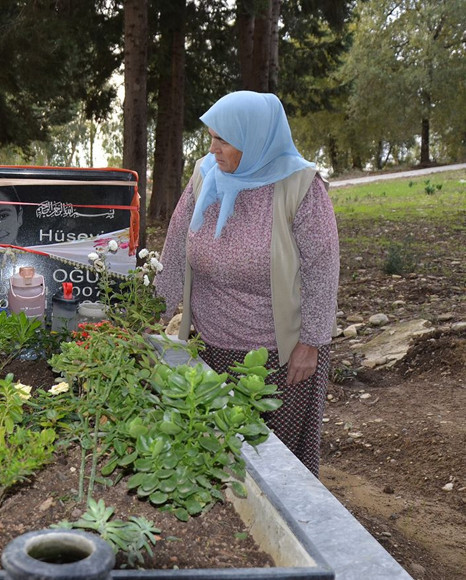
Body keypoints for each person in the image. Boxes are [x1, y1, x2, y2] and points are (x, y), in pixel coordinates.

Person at [155, 91, 339, 477]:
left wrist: (310, 344)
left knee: (277, 470)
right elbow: (174, 251)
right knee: (216, 459)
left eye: (223, 140)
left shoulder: (300, 186)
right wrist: (152, 315)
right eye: (211, 138)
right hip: (211, 348)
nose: (213, 149)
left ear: (255, 140)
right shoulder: (206, 174)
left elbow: (322, 272)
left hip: (281, 359)